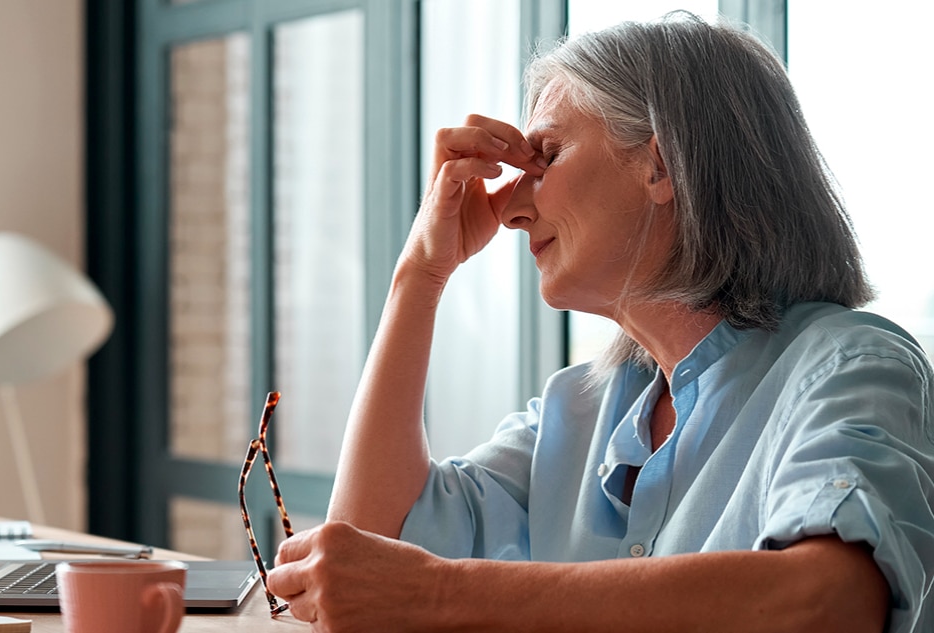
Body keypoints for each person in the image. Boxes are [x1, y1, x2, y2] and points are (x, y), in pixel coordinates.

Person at [265, 12, 934, 633]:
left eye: (546, 156)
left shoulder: (849, 366)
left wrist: (440, 592)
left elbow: (829, 601)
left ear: (661, 165)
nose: (512, 209)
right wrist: (420, 273)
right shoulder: (579, 410)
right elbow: (369, 560)